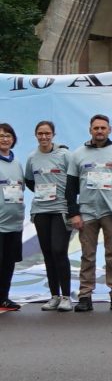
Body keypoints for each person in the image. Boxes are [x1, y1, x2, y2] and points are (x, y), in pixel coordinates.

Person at [65, 114, 112, 312]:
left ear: (109, 130)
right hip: (87, 212)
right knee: (88, 255)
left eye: (103, 128)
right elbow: (70, 189)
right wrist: (74, 213)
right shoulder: (78, 154)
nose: (99, 131)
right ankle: (85, 295)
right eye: (96, 128)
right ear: (90, 130)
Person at [24, 121, 72, 311]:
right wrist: (43, 193)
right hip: (41, 211)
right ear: (36, 135)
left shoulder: (64, 154)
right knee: (48, 253)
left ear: (53, 134)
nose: (44, 137)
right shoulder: (32, 157)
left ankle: (67, 296)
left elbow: (74, 179)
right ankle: (54, 296)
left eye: (47, 133)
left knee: (59, 250)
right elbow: (29, 180)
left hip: (61, 209)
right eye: (40, 133)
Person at [0, 123, 25, 310]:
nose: (4, 138)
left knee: (8, 263)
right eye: (1, 135)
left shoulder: (17, 163)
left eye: (8, 135)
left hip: (15, 223)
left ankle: (4, 298)